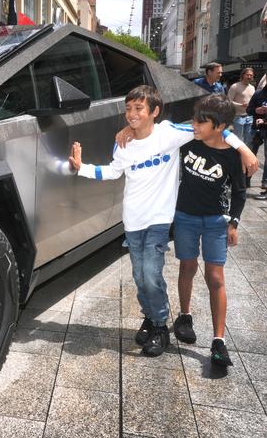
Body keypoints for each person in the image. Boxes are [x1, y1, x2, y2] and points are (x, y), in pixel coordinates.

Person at [68, 85, 256, 357]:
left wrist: (245, 149)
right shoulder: (123, 143)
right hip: (132, 221)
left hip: (159, 219)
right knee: (139, 276)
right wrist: (81, 167)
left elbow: (214, 127)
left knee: (151, 274)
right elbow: (111, 171)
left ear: (155, 111)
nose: (132, 114)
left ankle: (159, 325)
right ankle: (150, 316)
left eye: (139, 109)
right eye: (128, 109)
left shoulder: (169, 133)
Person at [172, 95, 246, 367]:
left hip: (216, 222)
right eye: (194, 119)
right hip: (185, 217)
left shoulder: (230, 155)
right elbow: (161, 129)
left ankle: (219, 341)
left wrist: (233, 223)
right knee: (187, 267)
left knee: (215, 277)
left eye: (201, 122)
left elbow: (239, 193)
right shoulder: (188, 142)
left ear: (220, 126)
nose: (194, 125)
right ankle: (185, 315)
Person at [246, 86, 267, 199]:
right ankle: (245, 180)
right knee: (249, 155)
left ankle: (265, 185)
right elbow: (248, 109)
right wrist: (256, 110)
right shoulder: (259, 94)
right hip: (256, 129)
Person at [227, 67, 255, 144]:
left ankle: (244, 155)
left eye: (251, 75)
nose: (249, 77)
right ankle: (236, 155)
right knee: (237, 140)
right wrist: (240, 105)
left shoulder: (252, 88)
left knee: (248, 139)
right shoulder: (235, 86)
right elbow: (228, 101)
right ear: (243, 75)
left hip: (250, 117)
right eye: (247, 75)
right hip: (238, 116)